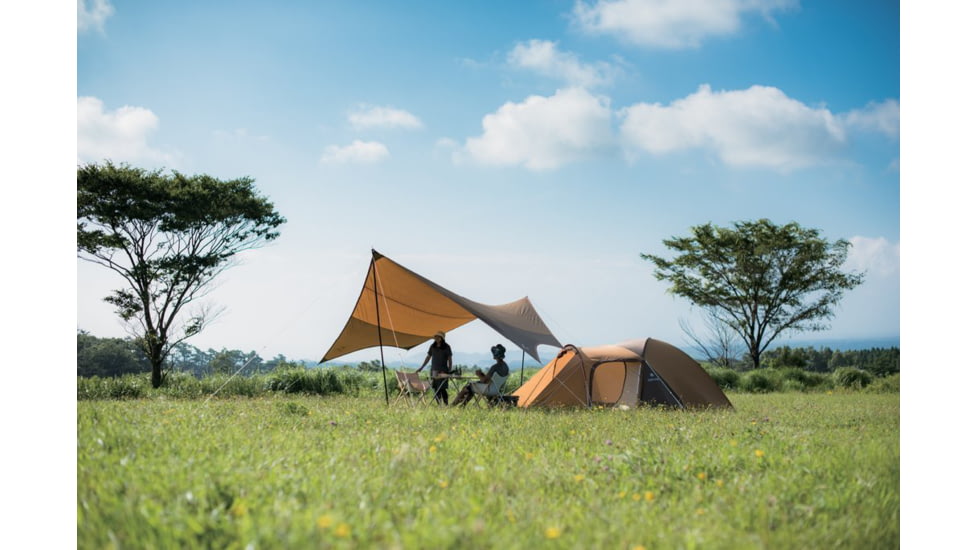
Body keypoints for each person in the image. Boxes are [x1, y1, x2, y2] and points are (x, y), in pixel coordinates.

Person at [416, 331, 453, 405]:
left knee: (442, 388)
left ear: (441, 338)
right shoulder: (432, 346)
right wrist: (421, 367)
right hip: (434, 370)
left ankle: (446, 405)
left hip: (443, 371)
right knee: (436, 388)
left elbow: (450, 359)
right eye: (435, 336)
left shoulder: (447, 347)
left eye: (438, 337)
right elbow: (428, 357)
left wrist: (449, 371)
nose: (436, 338)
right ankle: (439, 405)